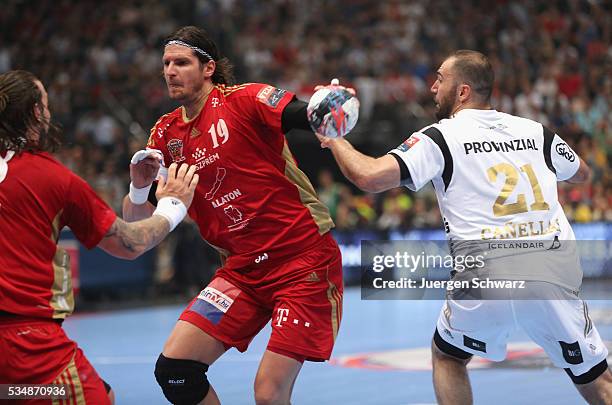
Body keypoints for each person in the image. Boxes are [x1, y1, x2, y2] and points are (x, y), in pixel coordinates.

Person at [317, 50, 612, 404]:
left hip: (487, 269)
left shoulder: (439, 137)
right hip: (551, 266)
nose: (432, 87)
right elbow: (581, 173)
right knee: (594, 377)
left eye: (440, 78)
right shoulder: (535, 130)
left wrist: (332, 135)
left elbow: (368, 176)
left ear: (463, 91)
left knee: (448, 356)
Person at [123, 26, 345, 405]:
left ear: (208, 68)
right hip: (242, 272)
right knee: (175, 371)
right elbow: (136, 224)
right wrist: (139, 188)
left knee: (269, 393)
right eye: (165, 64)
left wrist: (326, 105)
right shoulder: (164, 134)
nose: (170, 71)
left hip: (302, 263)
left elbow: (298, 115)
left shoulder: (244, 100)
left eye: (181, 62)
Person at [0, 70, 199, 404]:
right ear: (37, 112)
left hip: (14, 372)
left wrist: (137, 192)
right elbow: (131, 243)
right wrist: (174, 204)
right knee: (94, 398)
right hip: (25, 346)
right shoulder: (52, 178)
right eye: (46, 105)